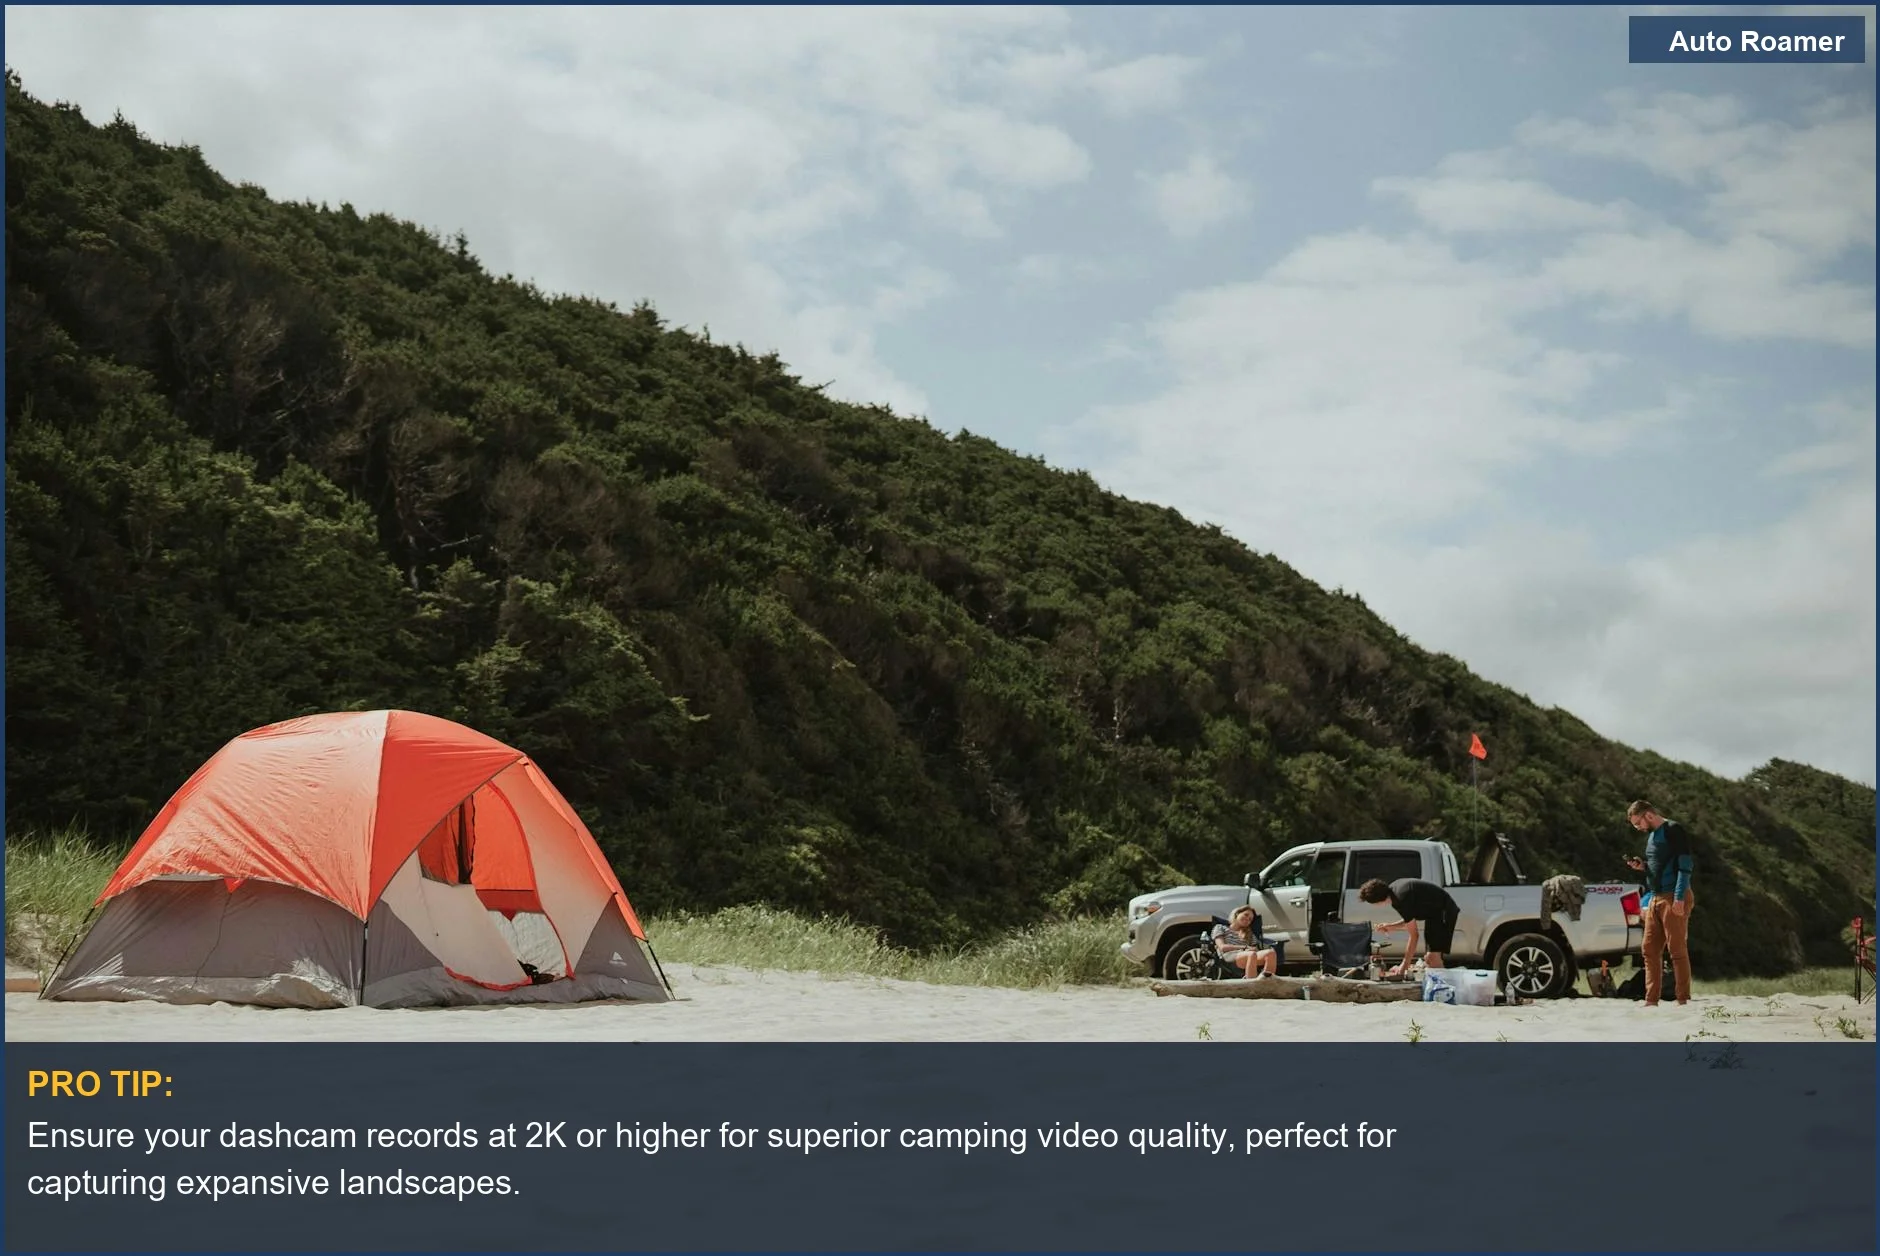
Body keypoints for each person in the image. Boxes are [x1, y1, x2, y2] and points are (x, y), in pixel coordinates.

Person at [1623, 799, 1695, 1006]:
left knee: (1676, 949)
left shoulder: (1673, 829)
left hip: (1673, 895)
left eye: (1638, 823)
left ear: (1649, 815)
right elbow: (1659, 865)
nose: (1637, 828)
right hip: (1655, 896)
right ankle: (1651, 999)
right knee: (1649, 949)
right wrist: (1642, 866)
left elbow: (1685, 866)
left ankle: (1682, 999)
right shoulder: (1652, 836)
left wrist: (1680, 897)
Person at [1358, 877, 1461, 976]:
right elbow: (1409, 919)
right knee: (1429, 959)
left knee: (1433, 958)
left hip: (1444, 912)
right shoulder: (1395, 892)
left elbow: (1414, 936)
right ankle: (1440, 987)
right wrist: (1390, 926)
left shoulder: (1400, 899)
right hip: (1433, 915)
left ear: (1377, 901)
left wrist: (1403, 966)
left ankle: (1447, 990)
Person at [1211, 905, 1278, 978]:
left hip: (1248, 954)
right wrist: (1245, 947)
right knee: (1251, 954)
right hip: (1229, 955)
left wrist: (1252, 949)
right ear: (1237, 914)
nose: (1247, 919)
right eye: (1246, 915)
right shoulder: (1220, 927)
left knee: (1271, 953)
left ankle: (1267, 982)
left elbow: (1254, 948)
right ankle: (1251, 984)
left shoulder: (1249, 933)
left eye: (1250, 919)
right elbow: (1222, 947)